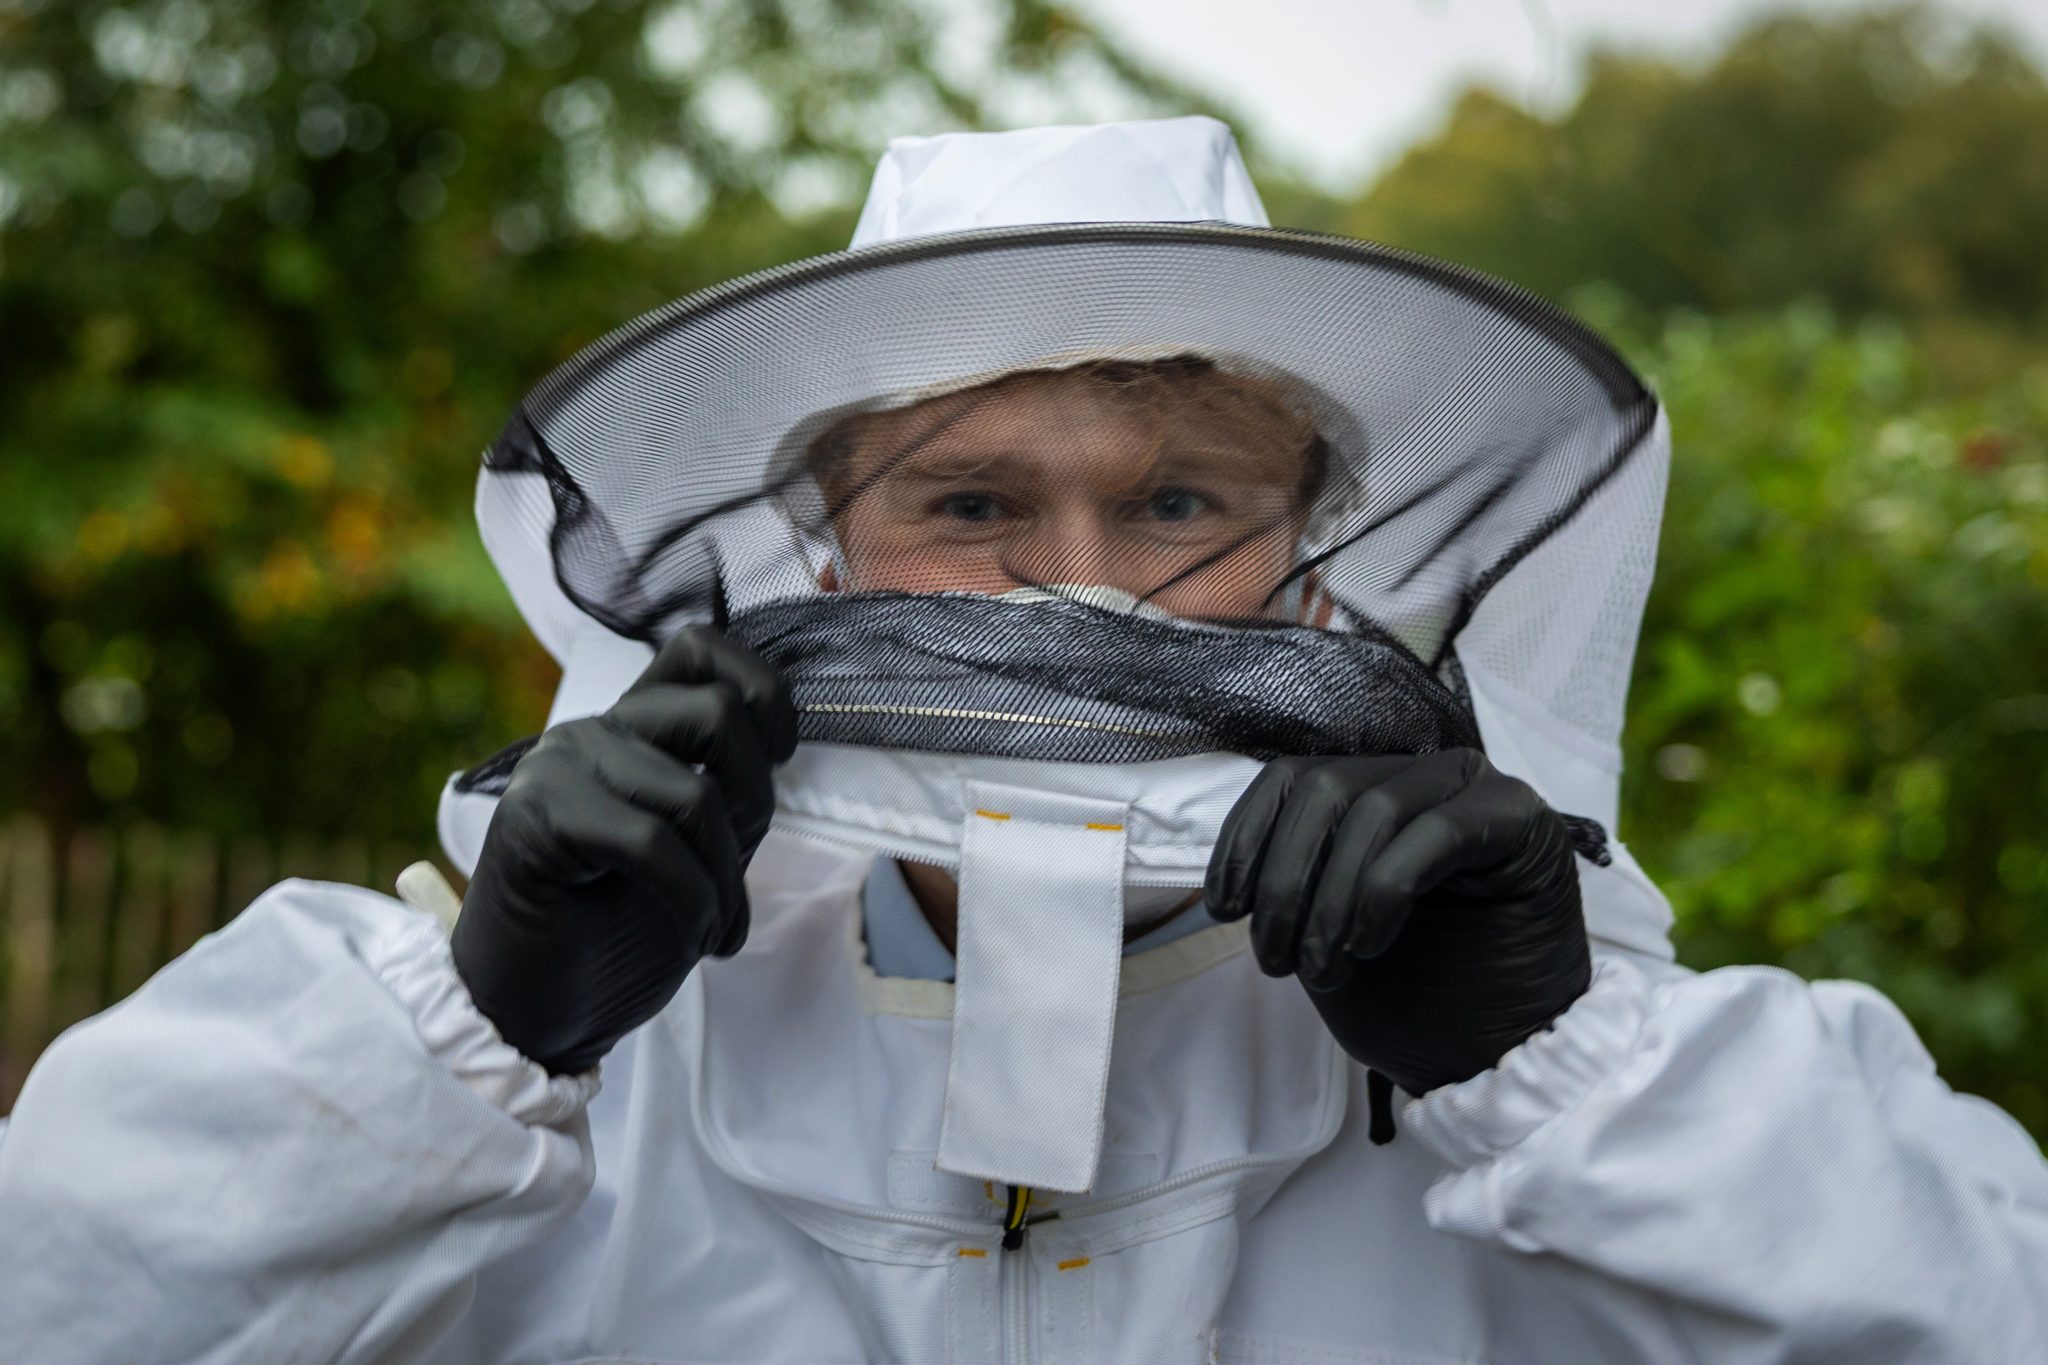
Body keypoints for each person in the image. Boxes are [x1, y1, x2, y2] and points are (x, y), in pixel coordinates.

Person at [4, 117, 2046, 1365]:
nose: (1079, 590)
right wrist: (469, 1033)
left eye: (1177, 504)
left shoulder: (1529, 1029)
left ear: (1314, 559)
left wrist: (1560, 1068)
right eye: (970, 503)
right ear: (822, 544)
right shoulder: (568, 1033)